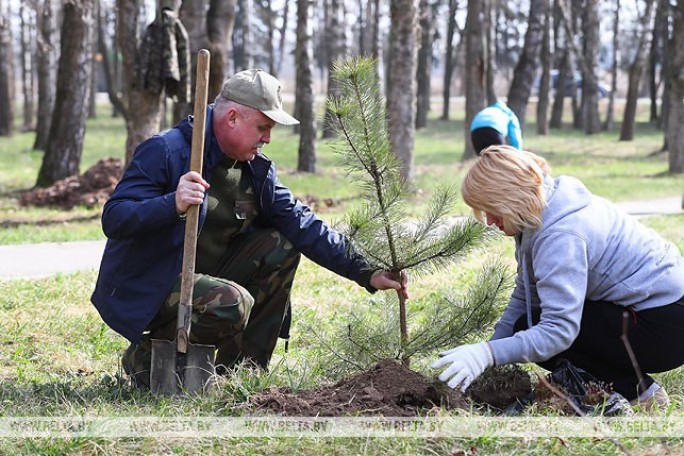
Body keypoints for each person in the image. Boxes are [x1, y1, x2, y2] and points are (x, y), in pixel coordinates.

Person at [91, 68, 408, 387]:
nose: (267, 138)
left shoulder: (254, 169)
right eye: (263, 127)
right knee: (231, 301)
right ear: (232, 118)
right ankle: (145, 357)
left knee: (280, 246)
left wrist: (364, 270)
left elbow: (301, 222)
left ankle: (241, 374)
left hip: (208, 278)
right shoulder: (166, 151)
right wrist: (171, 203)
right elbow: (115, 217)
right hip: (153, 283)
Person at [432, 145, 684, 410]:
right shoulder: (543, 208)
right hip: (656, 312)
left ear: (512, 197)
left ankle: (640, 392)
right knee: (528, 323)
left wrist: (488, 355)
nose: (489, 221)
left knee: (543, 331)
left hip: (665, 327)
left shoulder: (560, 235)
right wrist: (487, 351)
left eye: (492, 209)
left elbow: (559, 331)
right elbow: (526, 295)